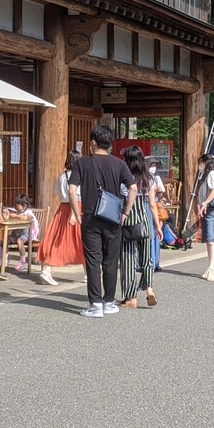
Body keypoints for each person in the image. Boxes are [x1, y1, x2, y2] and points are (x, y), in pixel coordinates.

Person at [69, 125, 137, 317]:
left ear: (92, 143)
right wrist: (126, 212)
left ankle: (95, 305)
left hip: (90, 218)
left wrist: (77, 212)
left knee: (93, 261)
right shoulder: (119, 164)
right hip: (113, 218)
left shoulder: (82, 163)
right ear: (110, 144)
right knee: (110, 261)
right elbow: (133, 188)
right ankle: (109, 302)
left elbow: (73, 190)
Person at [119, 146, 161, 308]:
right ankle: (149, 288)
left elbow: (122, 199)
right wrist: (157, 226)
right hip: (145, 220)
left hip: (129, 220)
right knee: (147, 258)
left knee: (128, 258)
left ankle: (131, 297)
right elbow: (152, 204)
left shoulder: (124, 178)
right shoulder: (148, 178)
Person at [37, 149, 83, 286]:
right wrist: (74, 214)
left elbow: (58, 192)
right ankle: (89, 273)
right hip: (76, 208)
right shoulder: (78, 176)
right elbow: (76, 195)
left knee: (56, 238)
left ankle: (47, 270)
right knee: (81, 240)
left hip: (62, 208)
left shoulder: (62, 176)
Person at [192, 152, 214, 281]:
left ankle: (211, 267)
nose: (200, 166)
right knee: (209, 240)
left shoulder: (212, 174)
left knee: (211, 240)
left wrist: (205, 203)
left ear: (205, 163)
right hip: (207, 210)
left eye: (201, 164)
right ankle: (212, 266)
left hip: (212, 210)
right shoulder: (207, 176)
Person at [5, 194, 40, 272]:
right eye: (16, 204)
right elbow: (8, 211)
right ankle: (5, 257)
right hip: (16, 232)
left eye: (19, 204)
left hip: (27, 233)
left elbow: (27, 218)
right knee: (5, 240)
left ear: (25, 205)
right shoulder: (16, 211)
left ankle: (23, 261)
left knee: (19, 241)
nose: (17, 206)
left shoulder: (28, 212)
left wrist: (16, 216)